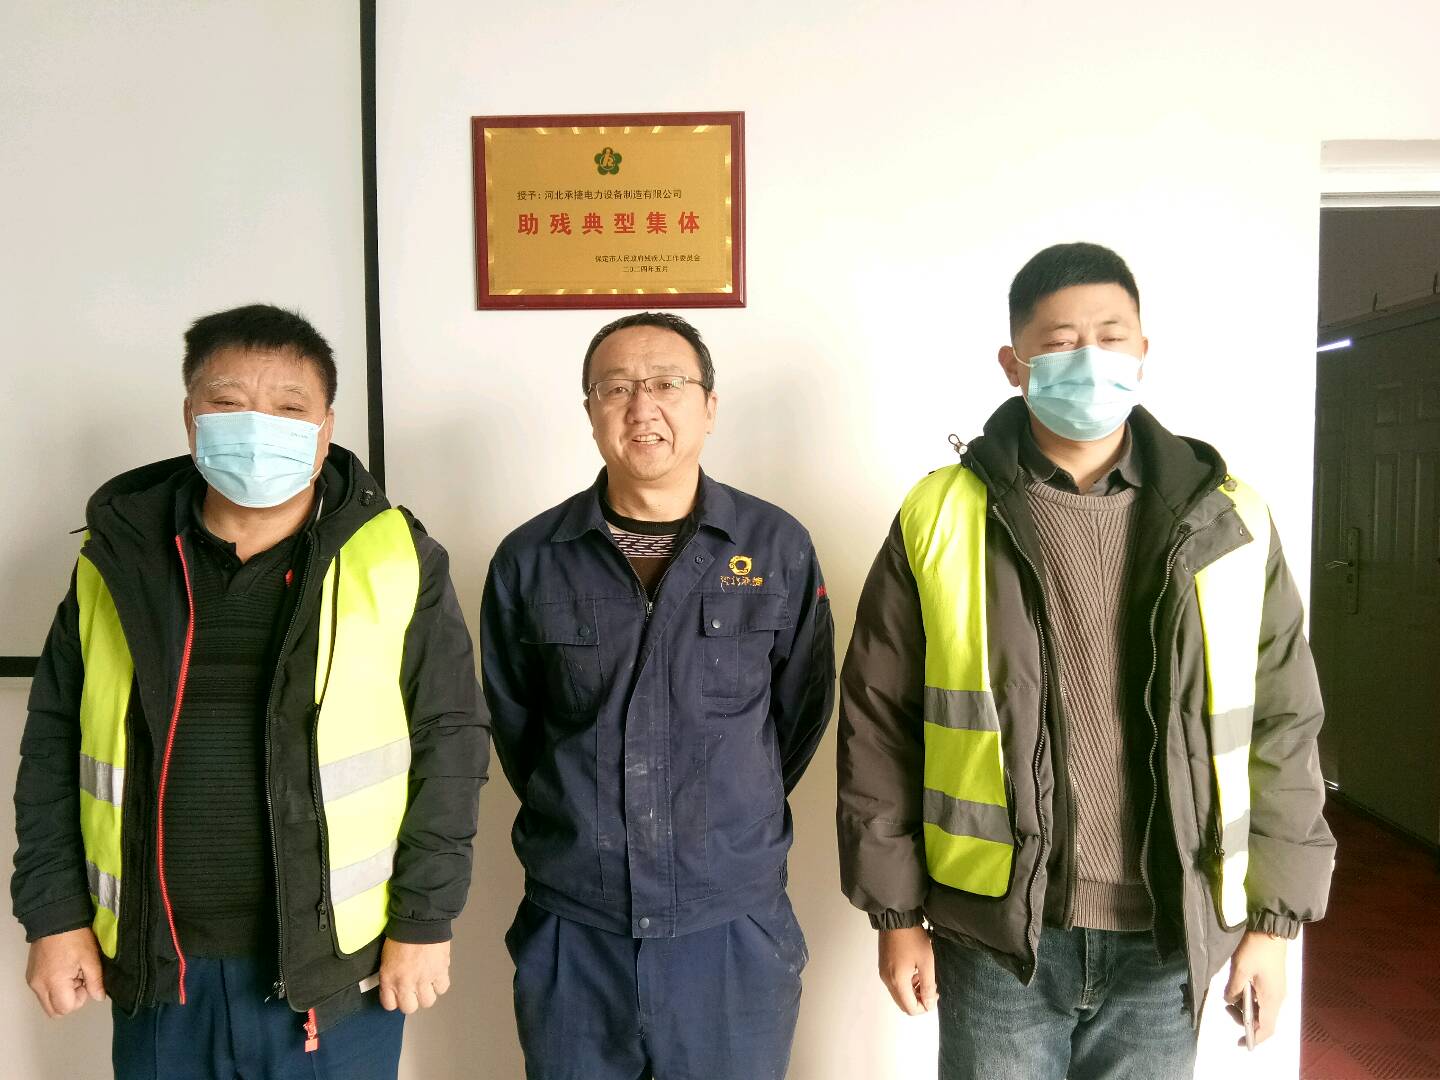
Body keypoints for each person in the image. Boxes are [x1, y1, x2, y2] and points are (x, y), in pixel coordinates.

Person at [836, 243, 1334, 1079]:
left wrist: (1274, 926)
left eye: (1112, 336)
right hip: (997, 934)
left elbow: (1284, 727)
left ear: (1144, 352)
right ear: (1014, 365)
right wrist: (895, 914)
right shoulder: (942, 513)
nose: (1091, 359)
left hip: (1167, 932)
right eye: (1062, 342)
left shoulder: (1230, 520)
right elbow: (878, 723)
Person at [13, 304, 489, 1079]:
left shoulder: (397, 558)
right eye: (229, 403)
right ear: (191, 419)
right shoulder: (117, 559)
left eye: (289, 408)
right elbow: (53, 745)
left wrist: (425, 918)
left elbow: (452, 744)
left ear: (326, 430)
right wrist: (54, 915)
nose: (258, 427)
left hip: (334, 977)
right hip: (158, 968)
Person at [480, 311, 835, 1080]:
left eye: (667, 383)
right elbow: (518, 728)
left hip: (730, 925)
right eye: (615, 388)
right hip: (576, 926)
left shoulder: (776, 548)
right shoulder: (529, 560)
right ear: (590, 410)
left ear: (709, 405)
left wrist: (725, 810)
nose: (642, 406)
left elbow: (798, 715)